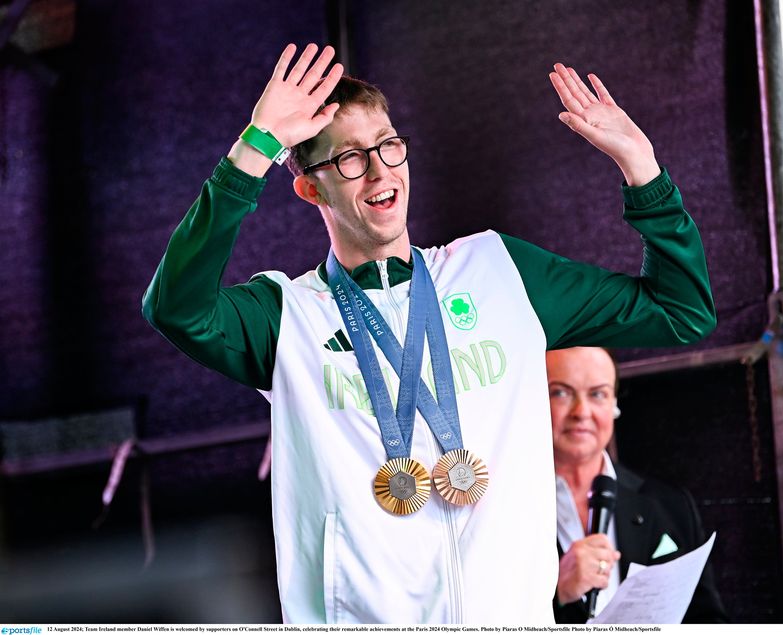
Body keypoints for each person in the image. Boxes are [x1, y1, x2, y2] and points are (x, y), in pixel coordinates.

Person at [142, 43, 716, 623]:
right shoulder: (288, 315)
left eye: (389, 146)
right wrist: (255, 148)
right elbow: (175, 308)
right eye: (348, 158)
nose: (379, 169)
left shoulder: (499, 272)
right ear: (310, 188)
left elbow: (681, 309)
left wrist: (642, 168)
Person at [547, 347, 728, 623]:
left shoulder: (670, 505)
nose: (581, 411)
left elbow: (707, 620)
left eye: (598, 394)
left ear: (614, 405)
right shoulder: (499, 511)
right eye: (561, 392)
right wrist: (557, 594)